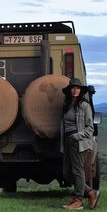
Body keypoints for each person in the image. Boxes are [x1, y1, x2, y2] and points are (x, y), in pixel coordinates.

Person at [60, 78, 100, 210]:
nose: (75, 90)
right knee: (67, 173)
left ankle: (78, 200)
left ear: (81, 90)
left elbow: (90, 128)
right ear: (69, 90)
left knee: (77, 171)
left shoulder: (84, 105)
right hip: (67, 141)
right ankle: (90, 192)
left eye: (77, 88)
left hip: (78, 141)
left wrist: (77, 136)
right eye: (73, 88)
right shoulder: (67, 105)